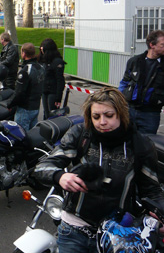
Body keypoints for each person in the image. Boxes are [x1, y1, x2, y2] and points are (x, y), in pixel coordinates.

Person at [34, 87, 164, 253]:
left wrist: (160, 215)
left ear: (121, 114)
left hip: (116, 234)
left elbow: (152, 190)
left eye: (109, 115)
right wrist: (60, 176)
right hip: (73, 230)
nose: (102, 122)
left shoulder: (140, 144)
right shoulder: (80, 134)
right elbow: (42, 167)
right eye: (96, 116)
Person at [119, 30, 164, 135]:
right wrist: (118, 103)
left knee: (145, 145)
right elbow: (124, 83)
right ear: (152, 45)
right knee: (125, 140)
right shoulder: (135, 61)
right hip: (129, 110)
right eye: (162, 45)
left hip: (151, 114)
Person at [6, 43, 44, 130]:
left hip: (25, 109)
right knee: (32, 134)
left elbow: (19, 92)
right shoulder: (40, 67)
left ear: (23, 53)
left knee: (21, 135)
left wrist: (10, 104)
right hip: (35, 107)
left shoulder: (26, 70)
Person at [38, 38, 66, 119]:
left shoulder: (57, 62)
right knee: (46, 113)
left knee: (52, 113)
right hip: (44, 90)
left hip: (53, 91)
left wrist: (58, 97)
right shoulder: (44, 61)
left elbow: (60, 80)